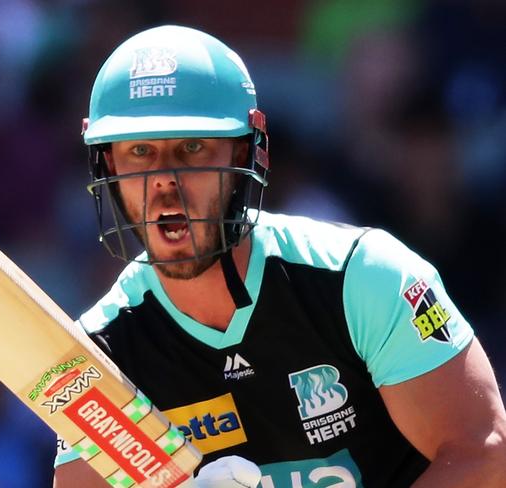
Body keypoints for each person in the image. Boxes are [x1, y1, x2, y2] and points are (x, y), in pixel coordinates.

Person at [53, 25, 506, 487]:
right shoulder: (103, 355)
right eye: (140, 152)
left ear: (247, 151)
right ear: (107, 164)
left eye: (192, 148)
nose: (164, 181)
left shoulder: (363, 278)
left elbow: (485, 454)